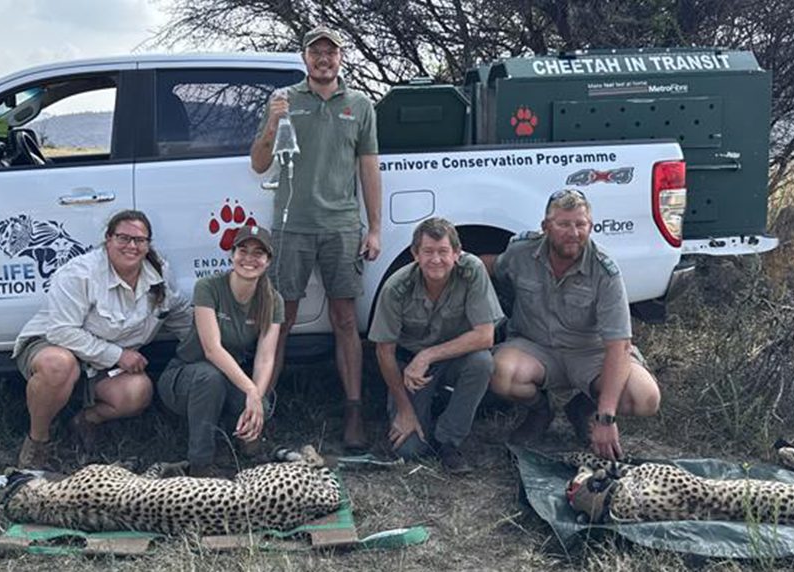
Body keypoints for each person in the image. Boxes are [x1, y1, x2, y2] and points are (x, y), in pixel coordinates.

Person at [250, 25, 383, 450]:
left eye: (331, 52)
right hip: (291, 227)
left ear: (341, 57)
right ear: (304, 58)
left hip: (342, 226)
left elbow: (368, 168)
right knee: (280, 322)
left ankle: (354, 412)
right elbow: (258, 163)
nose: (323, 59)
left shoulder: (360, 105)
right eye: (315, 52)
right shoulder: (285, 101)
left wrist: (375, 226)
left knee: (345, 320)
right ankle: (261, 409)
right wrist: (273, 119)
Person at [483, 189, 660, 460]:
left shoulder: (604, 270)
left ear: (590, 226)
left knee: (645, 398)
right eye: (564, 224)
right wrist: (452, 265)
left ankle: (582, 409)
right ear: (545, 227)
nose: (573, 232)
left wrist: (606, 418)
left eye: (581, 224)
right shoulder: (521, 252)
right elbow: (494, 266)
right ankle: (540, 411)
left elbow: (619, 346)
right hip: (534, 346)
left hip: (588, 353)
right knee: (500, 372)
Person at [12, 210, 192, 470]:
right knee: (59, 365)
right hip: (55, 346)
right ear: (108, 240)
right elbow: (61, 332)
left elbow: (177, 313)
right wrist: (118, 356)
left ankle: (85, 420)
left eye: (140, 240)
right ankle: (38, 441)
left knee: (138, 392)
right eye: (123, 238)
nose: (132, 246)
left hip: (100, 364)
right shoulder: (80, 273)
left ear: (148, 244)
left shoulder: (159, 271)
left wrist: (216, 343)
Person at [368, 218, 503, 473]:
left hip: (453, 358)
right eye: (428, 252)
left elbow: (485, 336)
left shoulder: (472, 270)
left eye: (443, 251)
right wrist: (405, 410)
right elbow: (383, 351)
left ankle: (449, 440)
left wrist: (428, 355)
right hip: (411, 369)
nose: (436, 260)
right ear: (415, 254)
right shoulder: (396, 287)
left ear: (457, 252)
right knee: (409, 450)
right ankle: (422, 411)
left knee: (483, 361)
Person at [155, 226, 284, 477]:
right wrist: (250, 391)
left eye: (258, 253)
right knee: (209, 377)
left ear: (268, 261)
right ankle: (200, 464)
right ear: (232, 254)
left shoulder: (272, 299)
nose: (249, 258)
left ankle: (235, 437)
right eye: (242, 250)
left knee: (263, 407)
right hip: (184, 376)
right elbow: (212, 350)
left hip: (227, 378)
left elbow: (266, 357)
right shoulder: (208, 287)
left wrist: (256, 397)